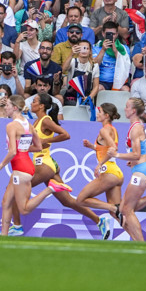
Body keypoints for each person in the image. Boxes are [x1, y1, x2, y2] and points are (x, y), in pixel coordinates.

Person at [29, 92, 111, 239]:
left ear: (41, 106)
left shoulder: (46, 120)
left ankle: (13, 225)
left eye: (34, 101)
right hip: (46, 163)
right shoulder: (36, 121)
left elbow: (65, 135)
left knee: (18, 188)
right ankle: (99, 220)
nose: (31, 103)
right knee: (68, 201)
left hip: (44, 163)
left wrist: (47, 142)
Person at [0, 94, 70, 236]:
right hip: (27, 165)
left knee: (24, 209)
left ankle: (50, 190)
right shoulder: (28, 124)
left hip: (20, 168)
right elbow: (38, 147)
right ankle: (4, 236)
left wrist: (1, 165)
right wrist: (23, 149)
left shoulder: (11, 125)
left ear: (15, 108)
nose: (6, 108)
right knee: (6, 201)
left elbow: (13, 152)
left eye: (7, 105)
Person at [108, 98, 146, 241]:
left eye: (127, 106)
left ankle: (141, 244)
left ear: (133, 111)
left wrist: (117, 155)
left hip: (141, 172)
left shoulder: (136, 128)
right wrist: (135, 159)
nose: (125, 109)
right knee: (123, 210)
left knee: (126, 210)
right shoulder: (139, 126)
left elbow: (137, 153)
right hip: (140, 169)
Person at [73, 103, 124, 224]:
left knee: (80, 200)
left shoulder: (104, 130)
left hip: (109, 172)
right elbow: (106, 149)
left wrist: (100, 164)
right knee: (118, 215)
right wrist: (92, 146)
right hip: (116, 172)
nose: (97, 114)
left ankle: (113, 207)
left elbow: (113, 149)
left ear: (106, 115)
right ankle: (139, 240)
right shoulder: (112, 129)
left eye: (100, 111)